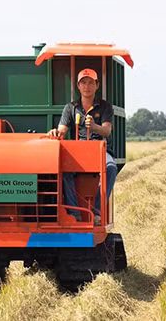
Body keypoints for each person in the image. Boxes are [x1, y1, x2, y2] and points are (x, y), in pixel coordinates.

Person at [47, 68, 117, 225]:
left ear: (97, 85)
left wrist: (94, 127)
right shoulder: (70, 108)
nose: (87, 86)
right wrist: (55, 132)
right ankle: (74, 213)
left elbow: (107, 131)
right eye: (83, 83)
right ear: (78, 86)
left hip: (100, 150)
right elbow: (62, 130)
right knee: (64, 170)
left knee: (111, 168)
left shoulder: (105, 107)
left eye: (91, 82)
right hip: (78, 152)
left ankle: (97, 212)